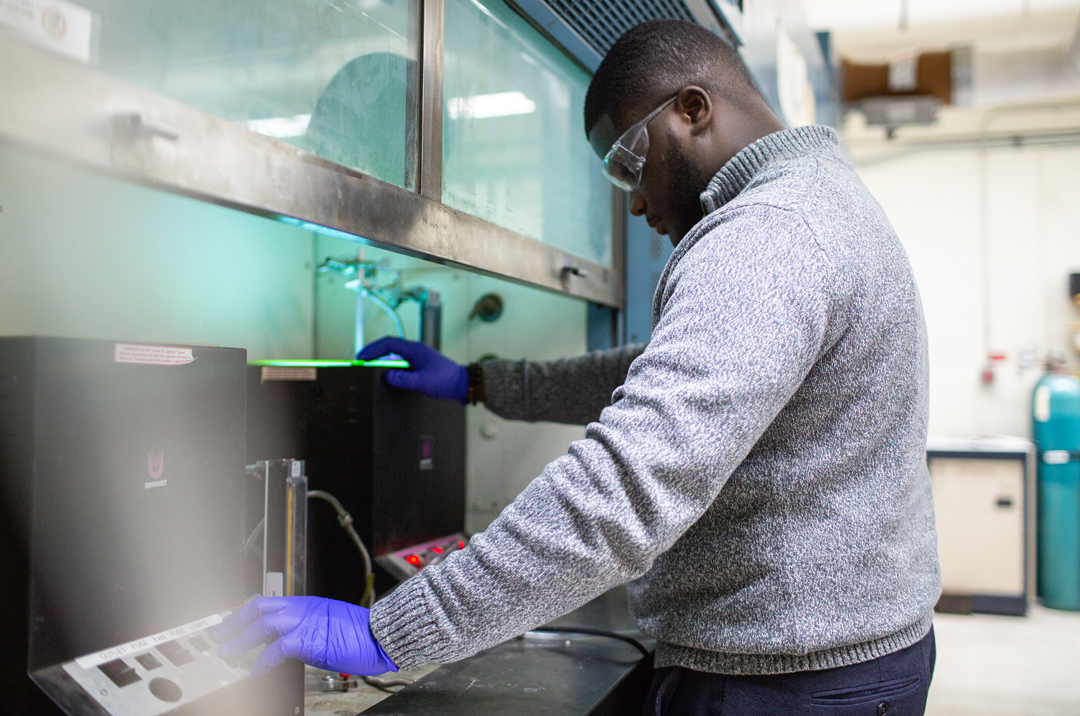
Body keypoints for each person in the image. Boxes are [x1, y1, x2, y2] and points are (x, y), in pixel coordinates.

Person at [213, 20, 941, 714]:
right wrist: (478, 381)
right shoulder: (816, 202)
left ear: (692, 110)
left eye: (630, 163)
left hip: (789, 683)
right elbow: (662, 370)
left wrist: (387, 632)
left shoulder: (768, 235)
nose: (632, 203)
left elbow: (625, 485)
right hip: (834, 659)